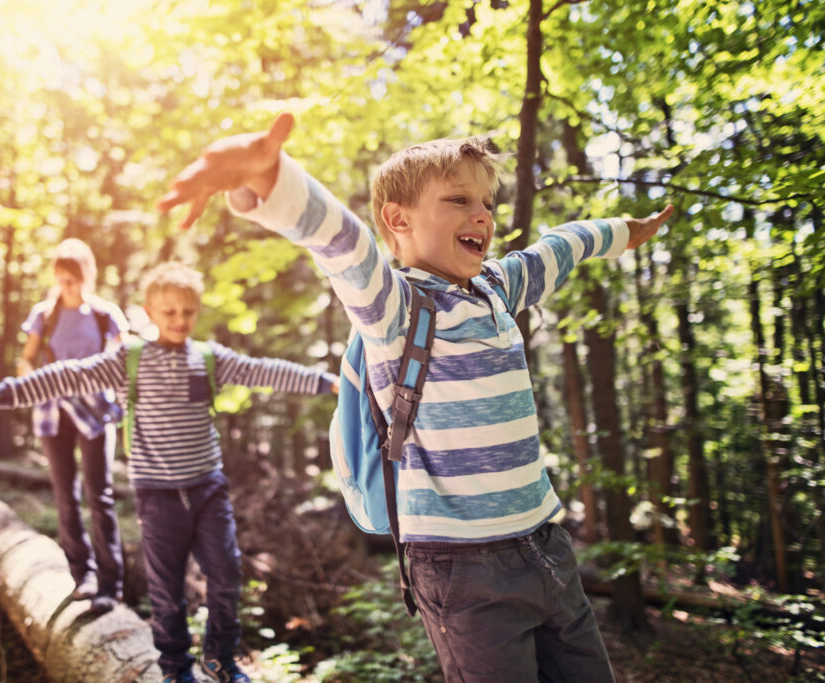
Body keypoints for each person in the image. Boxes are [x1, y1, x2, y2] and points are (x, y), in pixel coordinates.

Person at [155, 113, 673, 682]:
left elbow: (562, 246)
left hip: (547, 545)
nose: (482, 215)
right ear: (398, 220)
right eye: (458, 200)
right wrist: (273, 178)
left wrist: (627, 231)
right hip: (463, 568)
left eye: (487, 203)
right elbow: (342, 241)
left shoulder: (497, 288)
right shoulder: (395, 310)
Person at [0, 261, 339, 683]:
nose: (180, 321)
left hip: (208, 488)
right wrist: (2, 393)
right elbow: (68, 375)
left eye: (188, 312)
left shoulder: (208, 358)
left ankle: (219, 659)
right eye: (169, 312)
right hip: (158, 495)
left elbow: (264, 370)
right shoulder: (128, 360)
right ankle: (174, 669)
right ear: (150, 313)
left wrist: (329, 383)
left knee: (226, 573)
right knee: (167, 591)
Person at [19, 237, 128, 615]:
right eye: (63, 279)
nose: (69, 287)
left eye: (75, 279)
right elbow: (27, 360)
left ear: (88, 276)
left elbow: (123, 361)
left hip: (97, 414)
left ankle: (110, 585)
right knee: (66, 494)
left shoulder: (105, 315)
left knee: (100, 495)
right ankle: (83, 574)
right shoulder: (43, 316)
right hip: (54, 415)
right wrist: (34, 383)